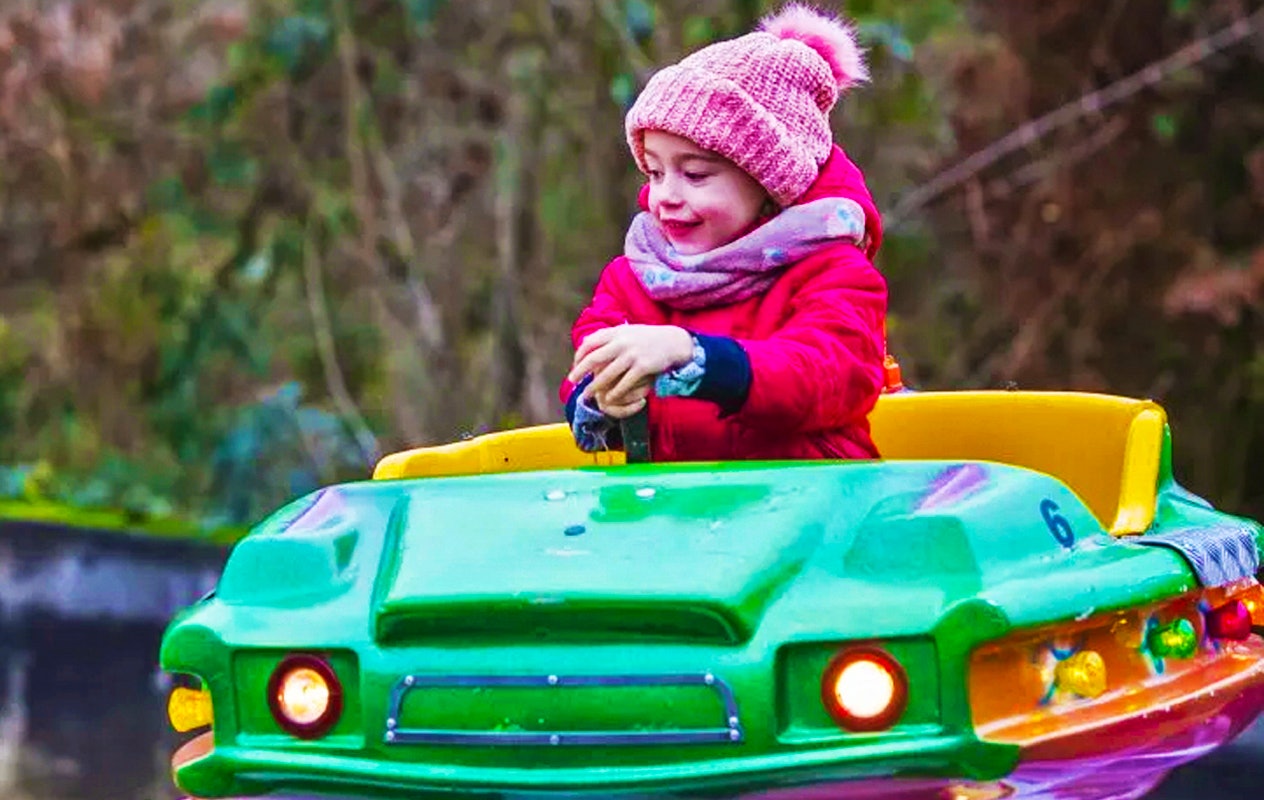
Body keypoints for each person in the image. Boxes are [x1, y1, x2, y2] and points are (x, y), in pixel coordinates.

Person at [559, 2, 888, 462]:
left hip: (811, 498)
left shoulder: (834, 273)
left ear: (769, 181)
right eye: (655, 172)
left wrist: (695, 356)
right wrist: (600, 398)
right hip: (675, 501)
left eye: (695, 175)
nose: (666, 196)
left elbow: (826, 374)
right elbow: (588, 359)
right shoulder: (634, 278)